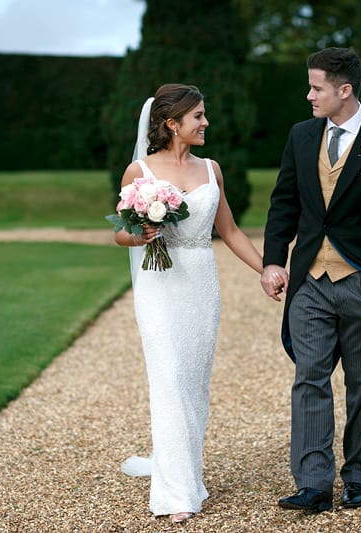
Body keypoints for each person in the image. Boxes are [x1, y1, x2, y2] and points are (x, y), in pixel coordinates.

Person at [260, 47, 361, 512]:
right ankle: (313, 483)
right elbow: (284, 203)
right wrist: (275, 261)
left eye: (316, 88)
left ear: (343, 90)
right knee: (309, 378)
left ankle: (357, 476)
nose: (308, 95)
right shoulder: (301, 135)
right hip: (310, 281)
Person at [114, 83, 263, 524]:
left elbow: (231, 231)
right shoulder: (138, 170)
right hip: (158, 286)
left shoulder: (212, 169)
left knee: (194, 384)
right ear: (171, 123)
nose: (206, 123)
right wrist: (138, 233)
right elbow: (119, 232)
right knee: (171, 377)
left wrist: (269, 270)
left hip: (200, 281)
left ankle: (184, 471)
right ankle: (176, 493)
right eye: (198, 116)